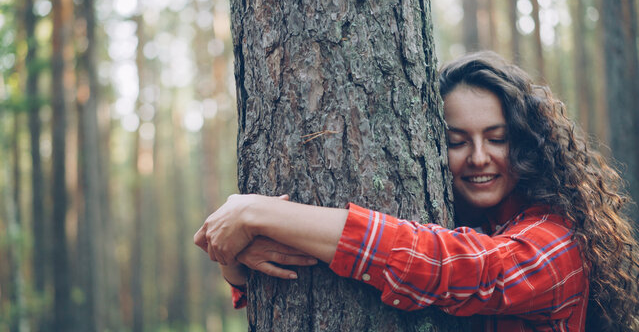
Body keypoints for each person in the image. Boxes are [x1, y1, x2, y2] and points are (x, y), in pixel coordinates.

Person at [194, 51, 639, 331]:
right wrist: (236, 257)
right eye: (456, 141)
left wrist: (261, 216)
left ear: (525, 142)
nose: (479, 157)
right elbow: (273, 294)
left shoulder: (558, 242)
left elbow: (459, 268)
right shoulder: (467, 222)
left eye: (497, 138)